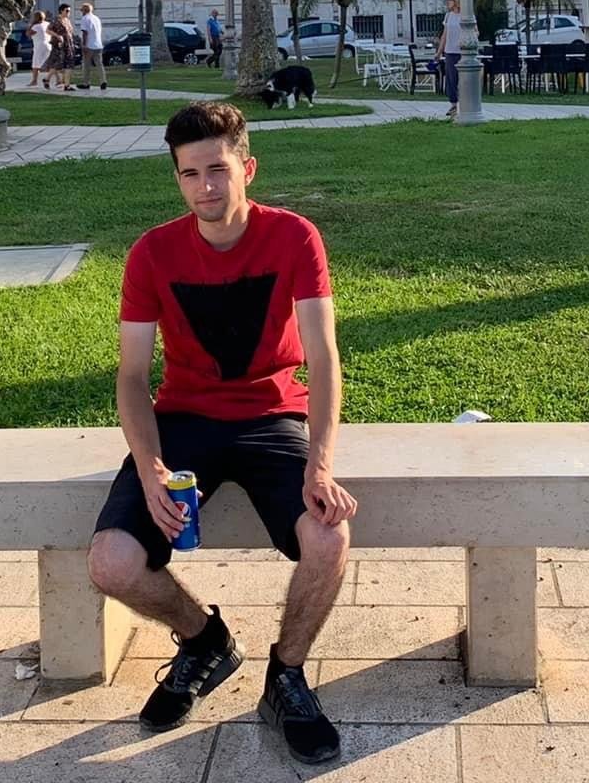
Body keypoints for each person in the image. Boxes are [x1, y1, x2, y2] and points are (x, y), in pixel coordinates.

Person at [88, 100, 354, 765]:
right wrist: (149, 467)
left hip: (273, 417)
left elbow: (322, 360)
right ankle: (205, 640)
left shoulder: (294, 237)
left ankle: (286, 677)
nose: (206, 186)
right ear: (176, 179)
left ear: (247, 168)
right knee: (111, 564)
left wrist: (319, 463)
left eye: (218, 169)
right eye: (189, 174)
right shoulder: (152, 254)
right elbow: (130, 378)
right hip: (185, 420)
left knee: (328, 536)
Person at [435, 0, 465, 118]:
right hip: (450, 51)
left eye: (451, 0)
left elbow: (475, 31)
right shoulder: (449, 16)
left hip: (462, 52)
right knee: (451, 79)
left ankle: (464, 104)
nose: (448, 3)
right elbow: (444, 35)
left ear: (457, 1)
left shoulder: (466, 16)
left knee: (463, 79)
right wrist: (439, 52)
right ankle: (453, 104)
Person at [78, 1, 108, 90]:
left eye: (82, 10)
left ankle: (86, 83)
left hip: (89, 45)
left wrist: (84, 44)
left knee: (86, 65)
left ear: (84, 10)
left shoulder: (85, 19)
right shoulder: (96, 18)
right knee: (99, 64)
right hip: (98, 44)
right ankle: (103, 81)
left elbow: (85, 33)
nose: (81, 12)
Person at [53, 4, 77, 93]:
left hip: (69, 44)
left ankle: (66, 84)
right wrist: (58, 36)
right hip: (62, 45)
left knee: (69, 65)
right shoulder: (57, 20)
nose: (68, 13)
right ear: (61, 11)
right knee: (61, 65)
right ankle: (63, 83)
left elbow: (71, 31)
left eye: (69, 11)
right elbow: (48, 30)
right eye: (67, 11)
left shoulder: (67, 20)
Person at [28, 11, 52, 90]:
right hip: (49, 45)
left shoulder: (35, 26)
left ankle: (34, 80)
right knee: (52, 63)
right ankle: (58, 80)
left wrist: (31, 24)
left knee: (35, 64)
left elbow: (28, 33)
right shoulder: (47, 24)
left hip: (39, 46)